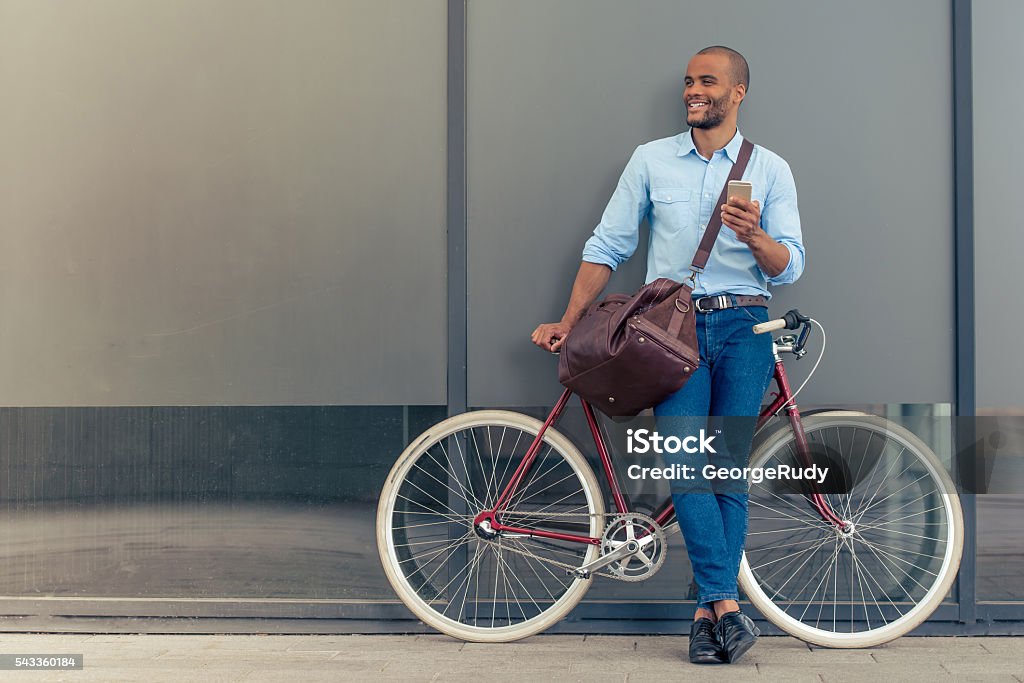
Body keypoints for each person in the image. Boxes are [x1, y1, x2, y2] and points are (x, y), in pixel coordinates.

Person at [531, 46, 804, 665]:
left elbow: (791, 265)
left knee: (727, 471)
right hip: (668, 332)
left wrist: (755, 236)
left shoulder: (772, 170)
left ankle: (709, 621)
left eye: (707, 81)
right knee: (686, 467)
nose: (692, 91)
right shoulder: (651, 160)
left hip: (743, 327)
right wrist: (568, 322)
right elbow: (609, 244)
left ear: (738, 93)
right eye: (688, 82)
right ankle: (725, 605)